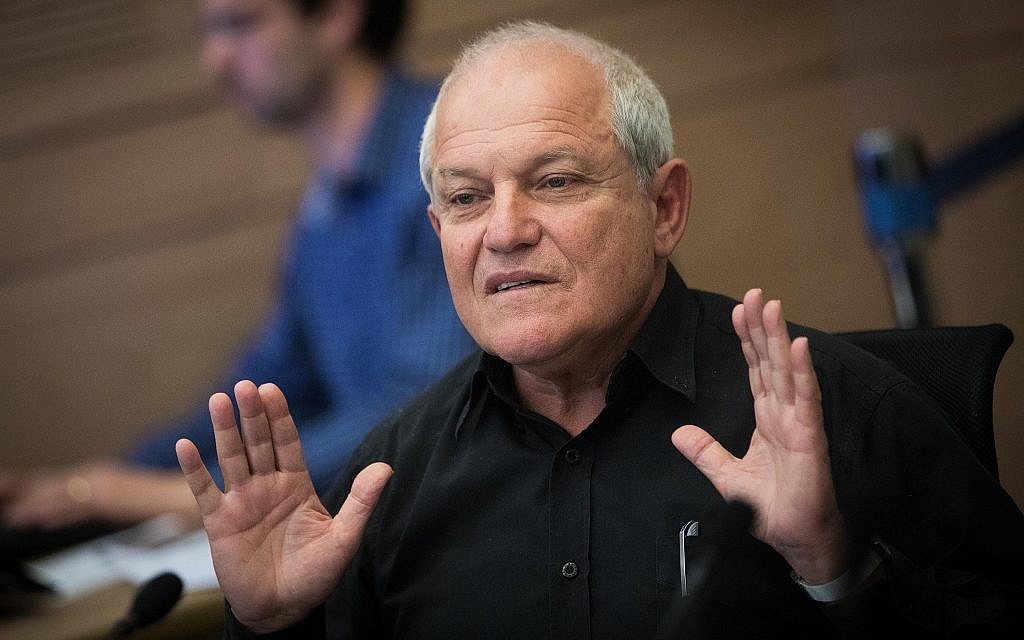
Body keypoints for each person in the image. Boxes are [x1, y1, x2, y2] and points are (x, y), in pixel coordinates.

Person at [175, 21, 1024, 638]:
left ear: (665, 207)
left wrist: (836, 573)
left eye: (553, 181)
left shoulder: (842, 412)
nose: (503, 231)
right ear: (441, 236)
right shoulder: (384, 482)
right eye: (466, 199)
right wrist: (272, 628)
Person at [0, 0, 473, 532]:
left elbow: (423, 408)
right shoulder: (325, 210)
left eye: (240, 24)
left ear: (338, 16)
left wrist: (151, 495)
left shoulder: (445, 163)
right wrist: (95, 483)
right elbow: (269, 386)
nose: (215, 60)